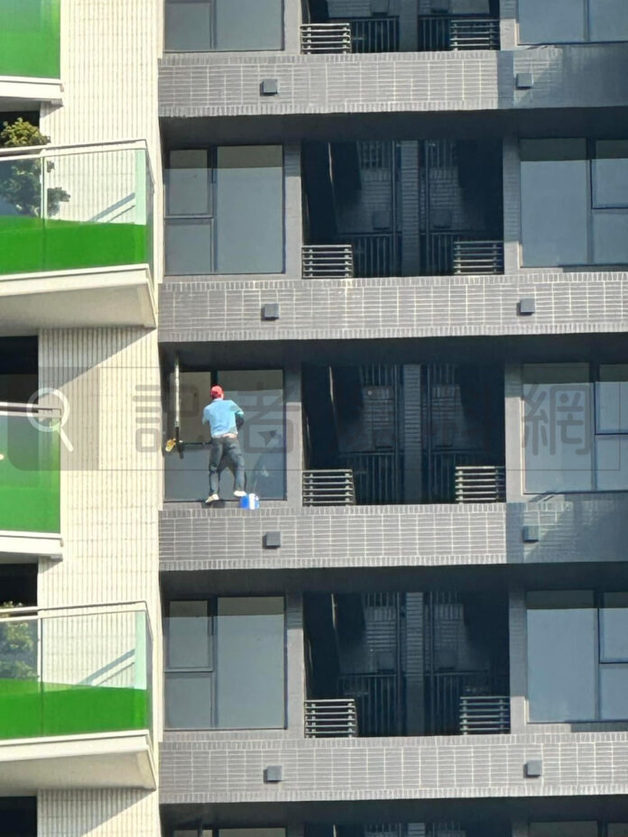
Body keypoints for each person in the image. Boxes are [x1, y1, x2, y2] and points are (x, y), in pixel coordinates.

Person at [201, 385, 246, 503]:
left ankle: (214, 493)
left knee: (214, 468)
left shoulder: (208, 409)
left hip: (217, 440)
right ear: (222, 394)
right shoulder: (230, 403)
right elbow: (241, 416)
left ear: (211, 396)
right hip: (231, 439)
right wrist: (235, 427)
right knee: (239, 464)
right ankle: (238, 489)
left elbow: (204, 421)